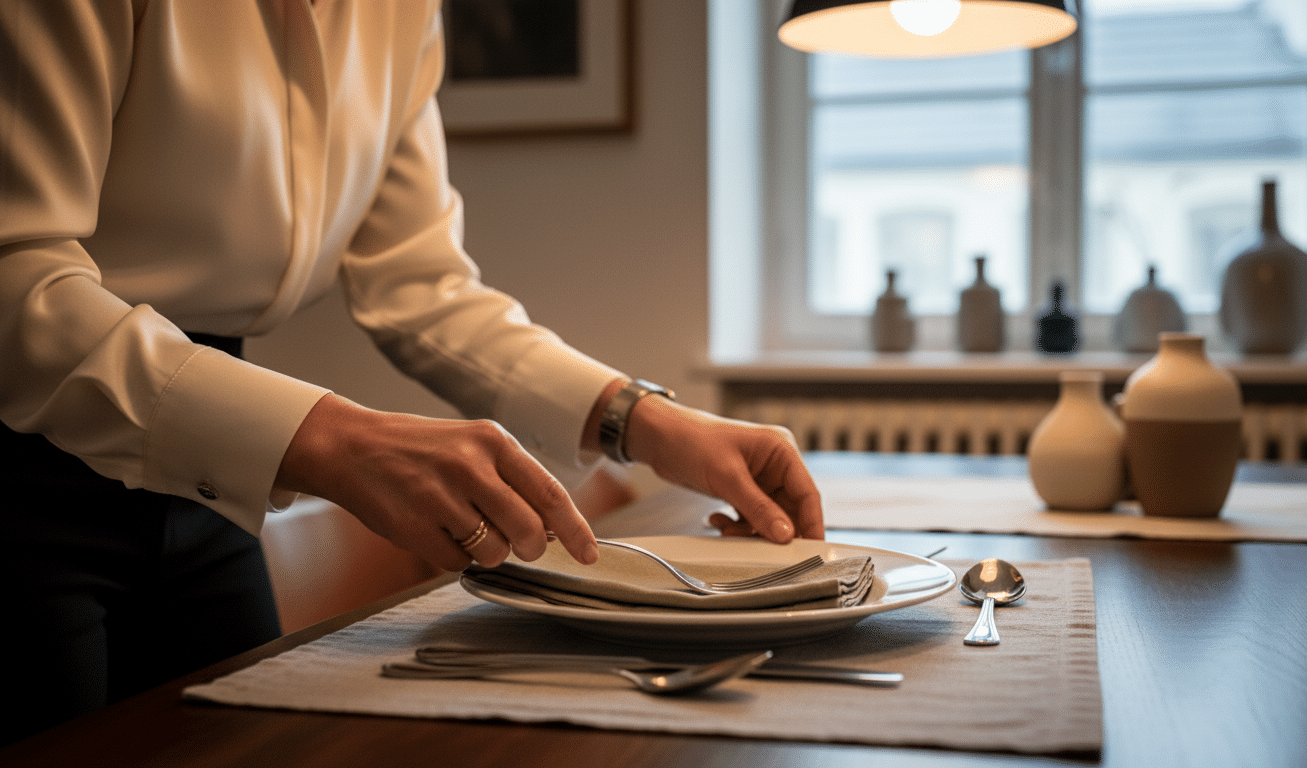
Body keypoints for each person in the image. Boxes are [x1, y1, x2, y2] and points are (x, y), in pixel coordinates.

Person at [0, 0, 823, 746]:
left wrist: (638, 418)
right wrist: (336, 441)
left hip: (210, 478)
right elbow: (15, 276)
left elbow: (420, 285)